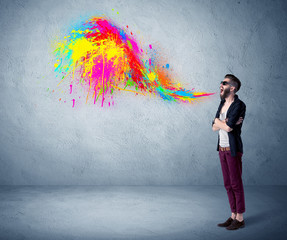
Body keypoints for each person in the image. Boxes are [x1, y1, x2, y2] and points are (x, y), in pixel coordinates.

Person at [212, 74, 246, 230]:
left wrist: (221, 122)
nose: (220, 84)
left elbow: (230, 127)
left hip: (233, 150)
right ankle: (233, 215)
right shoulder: (222, 103)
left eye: (224, 83)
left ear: (232, 88)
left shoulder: (239, 105)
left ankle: (240, 218)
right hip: (222, 149)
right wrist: (222, 122)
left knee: (235, 184)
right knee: (227, 184)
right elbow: (213, 127)